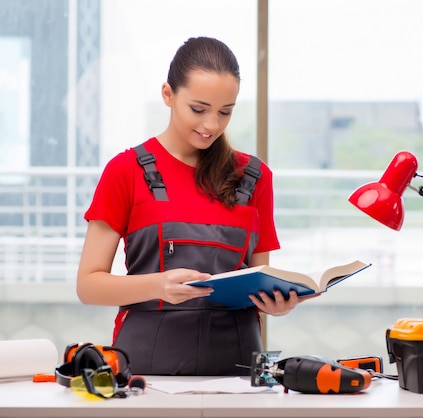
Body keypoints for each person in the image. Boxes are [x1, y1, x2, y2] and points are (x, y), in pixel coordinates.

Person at [76, 36, 311, 376]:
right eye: (198, 110)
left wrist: (278, 304)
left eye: (225, 112)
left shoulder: (255, 177)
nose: (211, 125)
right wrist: (158, 285)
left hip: (240, 374)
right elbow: (88, 285)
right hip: (146, 373)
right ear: (168, 94)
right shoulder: (125, 171)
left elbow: (259, 278)